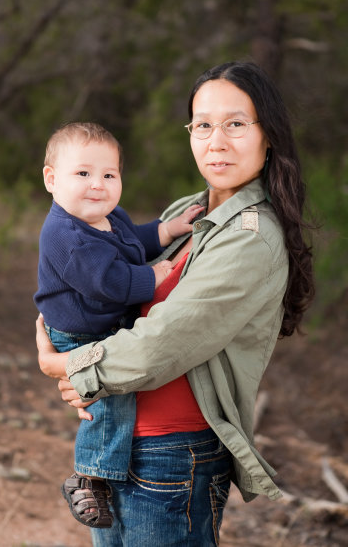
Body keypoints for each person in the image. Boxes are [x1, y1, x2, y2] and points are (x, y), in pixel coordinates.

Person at [36, 61, 314, 547]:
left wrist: (66, 367)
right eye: (203, 125)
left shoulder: (251, 238)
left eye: (235, 124)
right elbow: (95, 276)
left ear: (267, 135)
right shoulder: (191, 212)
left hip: (174, 454)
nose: (217, 141)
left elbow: (164, 341)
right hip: (124, 444)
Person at [34, 121, 204, 529]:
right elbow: (108, 282)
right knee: (109, 398)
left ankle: (100, 472)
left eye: (109, 175)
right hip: (80, 332)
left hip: (99, 325)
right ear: (51, 179)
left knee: (113, 393)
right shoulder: (66, 235)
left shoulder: (109, 216)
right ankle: (88, 477)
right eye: (83, 173)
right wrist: (155, 276)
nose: (98, 185)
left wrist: (167, 229)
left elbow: (135, 242)